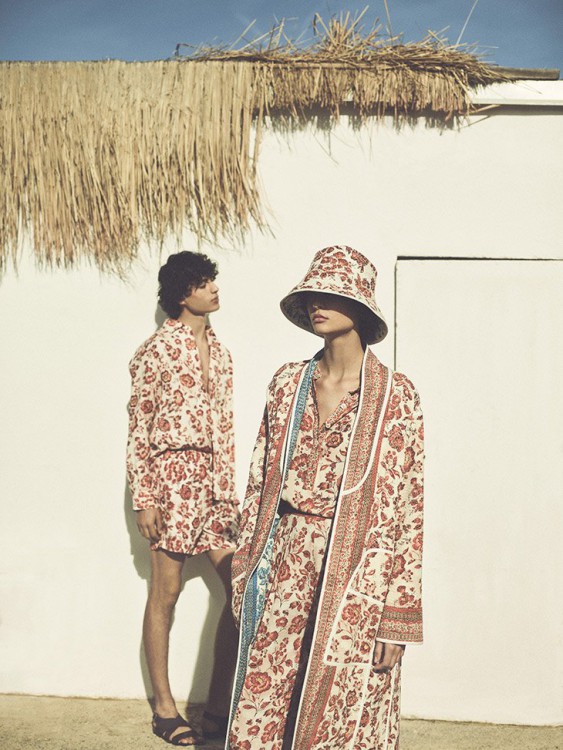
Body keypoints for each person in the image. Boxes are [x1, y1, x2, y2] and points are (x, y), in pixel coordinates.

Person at [227, 245, 424, 750]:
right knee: (265, 700)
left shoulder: (397, 396)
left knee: (341, 709)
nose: (317, 304)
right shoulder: (287, 383)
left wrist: (397, 617)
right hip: (284, 560)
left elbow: (408, 510)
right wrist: (245, 569)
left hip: (358, 576)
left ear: (360, 307)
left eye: (331, 295)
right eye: (312, 295)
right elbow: (258, 480)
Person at [127, 251, 240, 746]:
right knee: (166, 593)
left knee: (242, 589)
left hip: (215, 487)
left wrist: (228, 495)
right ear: (181, 294)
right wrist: (144, 497)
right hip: (169, 480)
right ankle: (165, 709)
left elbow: (227, 429)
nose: (213, 288)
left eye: (212, 279)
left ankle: (217, 707)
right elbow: (139, 426)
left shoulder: (224, 354)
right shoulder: (155, 351)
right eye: (202, 282)